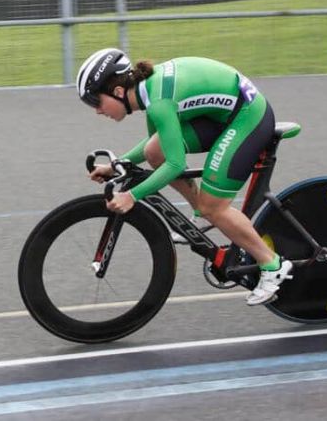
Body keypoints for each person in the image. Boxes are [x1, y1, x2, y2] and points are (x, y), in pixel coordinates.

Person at [77, 48, 292, 305]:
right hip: (222, 115)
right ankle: (200, 215)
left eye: (96, 102)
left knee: (214, 206)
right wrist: (117, 164)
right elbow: (155, 145)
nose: (97, 111)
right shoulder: (148, 93)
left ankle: (272, 264)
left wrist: (132, 196)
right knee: (154, 152)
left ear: (118, 92)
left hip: (248, 117)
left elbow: (176, 165)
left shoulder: (158, 103)